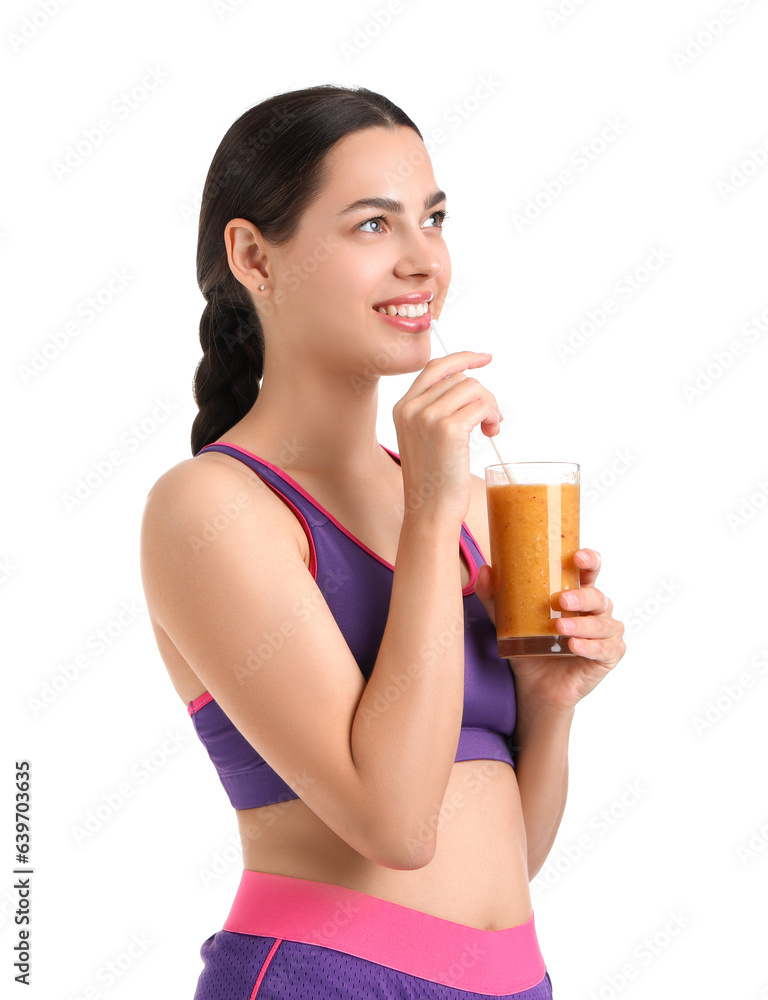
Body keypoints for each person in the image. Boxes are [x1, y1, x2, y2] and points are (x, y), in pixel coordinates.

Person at [140, 84, 626, 1000]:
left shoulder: (472, 505)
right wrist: (432, 508)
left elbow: (507, 860)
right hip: (328, 978)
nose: (421, 261)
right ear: (253, 256)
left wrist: (548, 700)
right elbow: (396, 828)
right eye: (372, 226)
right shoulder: (210, 509)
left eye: (433, 219)